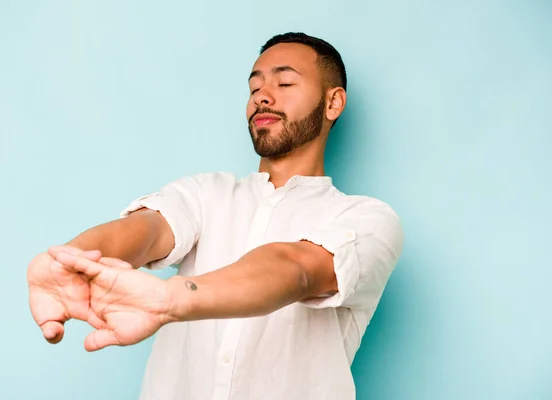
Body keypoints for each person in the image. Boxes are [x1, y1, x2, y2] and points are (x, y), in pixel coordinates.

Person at [27, 32, 404, 400]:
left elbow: (297, 268)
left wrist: (170, 298)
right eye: (254, 89)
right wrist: (74, 259)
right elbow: (146, 229)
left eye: (285, 82)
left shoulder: (368, 220)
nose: (263, 98)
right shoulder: (207, 193)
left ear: (333, 102)